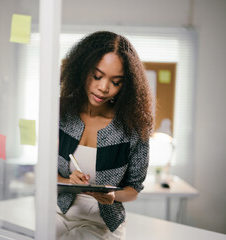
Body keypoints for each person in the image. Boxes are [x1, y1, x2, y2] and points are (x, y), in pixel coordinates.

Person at [57, 31, 155, 239]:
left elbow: (133, 189)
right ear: (82, 70)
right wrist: (67, 180)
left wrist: (112, 196)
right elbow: (46, 173)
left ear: (126, 85)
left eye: (116, 81)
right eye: (97, 76)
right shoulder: (61, 113)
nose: (103, 88)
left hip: (102, 222)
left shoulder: (133, 128)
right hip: (58, 210)